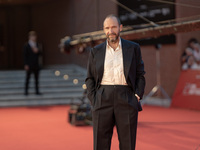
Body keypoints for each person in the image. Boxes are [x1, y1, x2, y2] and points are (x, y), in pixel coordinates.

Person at [85, 14, 145, 150]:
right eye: (107, 28)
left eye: (113, 27)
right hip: (102, 98)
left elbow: (140, 75)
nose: (110, 31)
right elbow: (90, 78)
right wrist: (94, 99)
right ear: (103, 30)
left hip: (127, 98)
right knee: (100, 144)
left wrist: (137, 96)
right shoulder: (96, 51)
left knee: (128, 143)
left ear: (120, 28)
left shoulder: (133, 48)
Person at [24, 31, 42, 95]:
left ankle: (37, 91)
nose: (33, 38)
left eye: (34, 36)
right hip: (29, 64)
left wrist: (37, 51)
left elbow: (41, 54)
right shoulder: (27, 45)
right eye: (32, 36)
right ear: (29, 37)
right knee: (28, 78)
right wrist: (26, 64)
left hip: (36, 64)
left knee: (36, 79)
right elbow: (25, 55)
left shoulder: (37, 45)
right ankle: (26, 91)